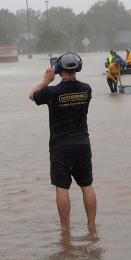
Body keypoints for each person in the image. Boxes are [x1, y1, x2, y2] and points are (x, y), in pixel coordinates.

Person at [29, 53, 97, 231]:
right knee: (87, 185)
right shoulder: (87, 89)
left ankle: (65, 230)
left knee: (62, 188)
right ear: (78, 68)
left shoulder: (52, 92)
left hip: (60, 146)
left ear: (59, 69)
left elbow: (32, 95)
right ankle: (91, 226)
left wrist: (46, 80)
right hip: (82, 144)